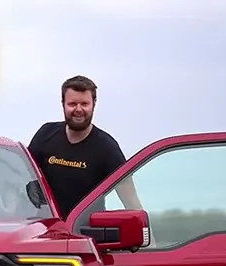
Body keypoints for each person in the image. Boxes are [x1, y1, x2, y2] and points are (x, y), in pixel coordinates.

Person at [27, 75, 142, 220]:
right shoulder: (45, 134)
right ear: (63, 104)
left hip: (85, 230)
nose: (78, 109)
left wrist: (145, 231)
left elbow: (131, 202)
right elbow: (22, 179)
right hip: (45, 227)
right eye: (72, 104)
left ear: (94, 104)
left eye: (84, 104)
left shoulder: (107, 148)